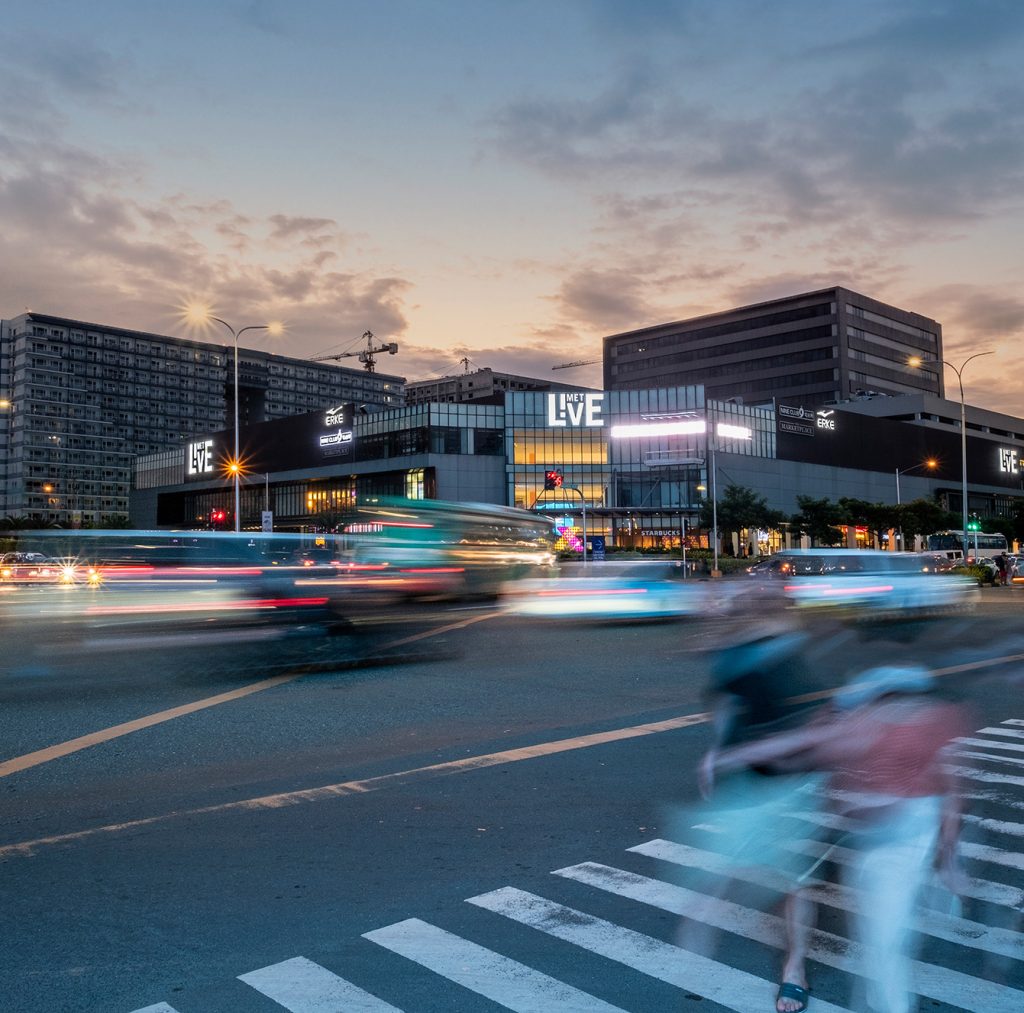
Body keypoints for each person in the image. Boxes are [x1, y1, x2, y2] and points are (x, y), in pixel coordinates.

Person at [710, 661, 970, 1013]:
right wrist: (734, 756)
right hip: (878, 836)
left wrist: (948, 853)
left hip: (903, 837)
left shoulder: (921, 725)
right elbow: (803, 744)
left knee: (884, 937)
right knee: (882, 934)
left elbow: (950, 792)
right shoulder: (867, 724)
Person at [694, 607, 825, 1013]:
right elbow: (727, 709)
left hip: (793, 779)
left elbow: (814, 728)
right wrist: (718, 753)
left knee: (795, 879)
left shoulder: (790, 663)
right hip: (747, 779)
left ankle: (795, 968)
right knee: (749, 860)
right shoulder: (730, 660)